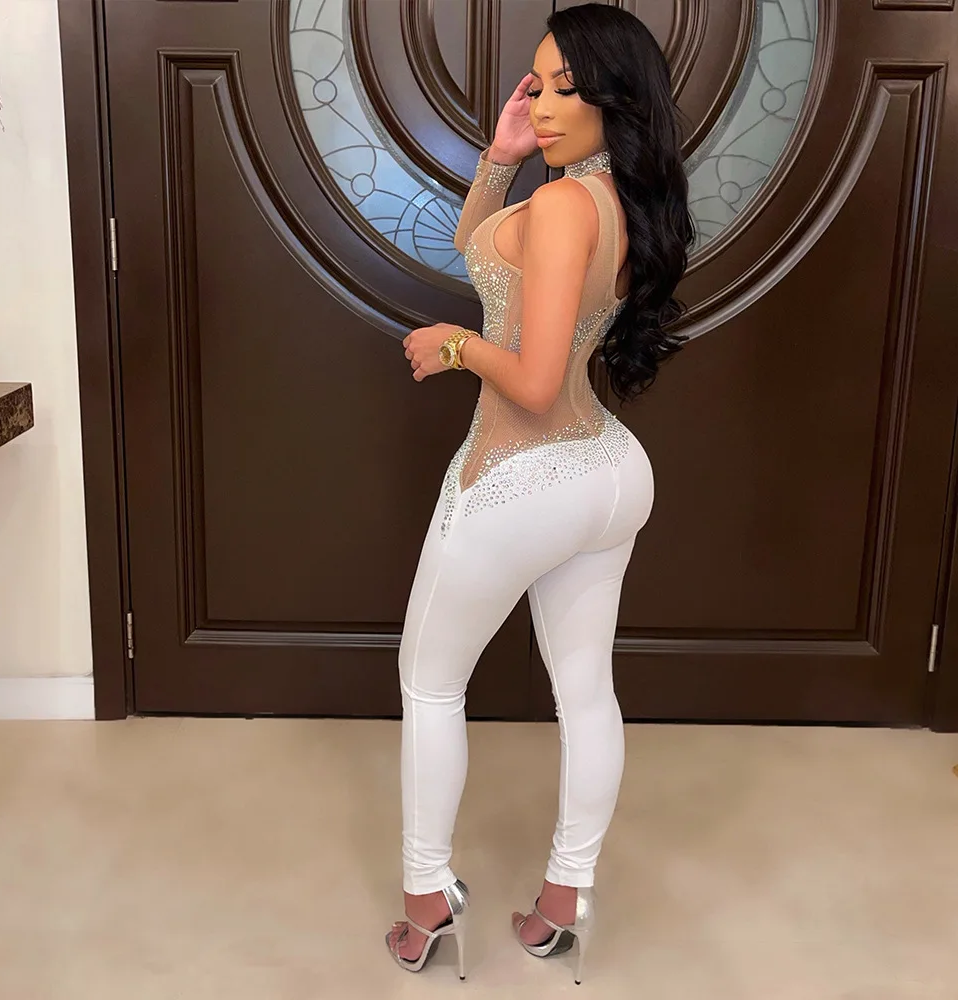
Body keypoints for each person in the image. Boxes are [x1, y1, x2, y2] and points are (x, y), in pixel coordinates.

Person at [388, 3, 694, 983]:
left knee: (430, 683)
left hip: (521, 477)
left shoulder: (566, 208)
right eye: (539, 84)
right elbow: (482, 254)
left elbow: (527, 378)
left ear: (616, 97)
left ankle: (426, 900)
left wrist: (454, 346)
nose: (547, 105)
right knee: (586, 687)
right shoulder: (609, 201)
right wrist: (501, 155)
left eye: (569, 88)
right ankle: (566, 897)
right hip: (608, 470)